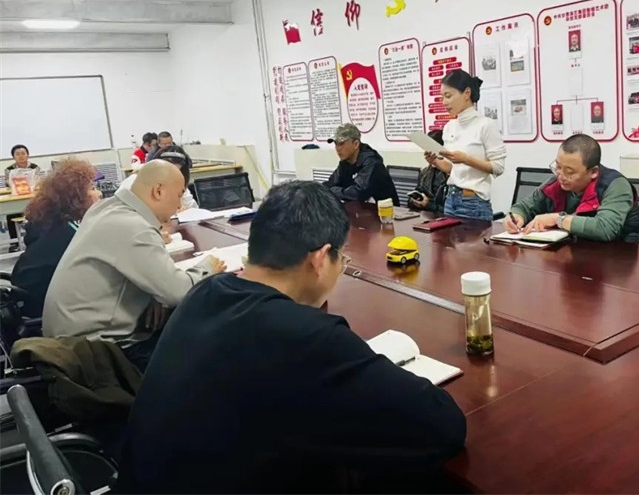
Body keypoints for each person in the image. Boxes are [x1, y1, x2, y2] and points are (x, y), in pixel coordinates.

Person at [117, 181, 466, 493]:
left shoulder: (205, 294)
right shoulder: (304, 336)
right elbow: (443, 425)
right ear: (320, 259)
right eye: (341, 259)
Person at [43, 161, 226, 371]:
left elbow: (156, 283)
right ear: (158, 191)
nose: (178, 206)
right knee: (211, 352)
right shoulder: (133, 227)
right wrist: (209, 266)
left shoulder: (106, 209)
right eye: (178, 195)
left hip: (68, 342)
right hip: (99, 353)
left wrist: (156, 294)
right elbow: (178, 293)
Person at [504, 134, 639, 243]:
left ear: (593, 172)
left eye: (570, 172)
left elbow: (605, 228)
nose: (561, 176)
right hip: (578, 252)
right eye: (558, 167)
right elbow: (524, 207)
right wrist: (516, 217)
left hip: (622, 257)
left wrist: (558, 219)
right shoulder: (556, 183)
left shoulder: (616, 185)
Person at [10, 159, 102, 317]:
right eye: (92, 188)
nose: (99, 193)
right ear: (76, 196)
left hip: (29, 301)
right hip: (50, 309)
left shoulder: (52, 223)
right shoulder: (68, 233)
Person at [426, 69, 505, 221]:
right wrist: (435, 162)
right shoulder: (449, 127)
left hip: (474, 203)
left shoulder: (486, 125)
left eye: (448, 96)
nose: (444, 102)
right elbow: (453, 169)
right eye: (442, 97)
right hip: (450, 200)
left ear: (467, 93)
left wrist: (466, 159)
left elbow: (498, 168)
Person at [324, 123, 399, 205]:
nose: (338, 148)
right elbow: (330, 184)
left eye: (341, 144)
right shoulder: (345, 163)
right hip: (359, 209)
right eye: (336, 144)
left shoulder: (372, 163)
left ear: (356, 144)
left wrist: (333, 191)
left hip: (385, 211)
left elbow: (358, 193)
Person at [118, 144, 198, 211]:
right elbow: (119, 210)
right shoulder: (133, 182)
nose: (171, 176)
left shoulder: (178, 185)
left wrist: (186, 210)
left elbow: (193, 208)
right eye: (168, 171)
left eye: (177, 172)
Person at [4, 144, 42, 251]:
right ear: (13, 157)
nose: (21, 156)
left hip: (31, 198)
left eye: (23, 153)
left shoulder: (35, 167)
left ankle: (37, 239)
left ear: (27, 155)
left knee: (39, 212)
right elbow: (8, 184)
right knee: (11, 215)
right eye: (17, 154)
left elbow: (37, 181)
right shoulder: (9, 169)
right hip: (17, 197)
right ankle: (14, 243)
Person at [408, 129, 448, 213]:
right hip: (426, 216)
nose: (430, 156)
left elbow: (451, 211)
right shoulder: (425, 173)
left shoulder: (453, 176)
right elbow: (412, 198)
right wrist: (414, 201)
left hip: (444, 217)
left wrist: (428, 205)